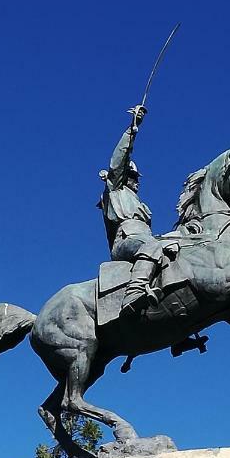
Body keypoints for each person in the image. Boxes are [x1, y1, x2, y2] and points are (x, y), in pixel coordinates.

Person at [98, 105, 177, 314]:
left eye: (137, 179)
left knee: (175, 251)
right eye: (133, 177)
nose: (136, 182)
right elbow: (118, 161)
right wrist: (132, 129)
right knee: (152, 245)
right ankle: (134, 292)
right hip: (124, 242)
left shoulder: (139, 202)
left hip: (143, 240)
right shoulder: (115, 190)